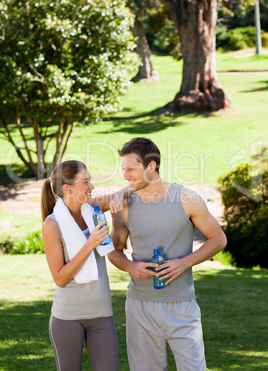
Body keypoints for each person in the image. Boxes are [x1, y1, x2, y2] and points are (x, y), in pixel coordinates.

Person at [108, 137, 227, 371]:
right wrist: (130, 267)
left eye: (131, 169)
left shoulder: (186, 199)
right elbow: (115, 251)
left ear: (151, 166)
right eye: (124, 169)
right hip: (139, 305)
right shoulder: (124, 205)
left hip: (182, 303)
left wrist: (185, 262)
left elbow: (219, 239)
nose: (126, 176)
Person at [41, 160, 130, 371]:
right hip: (67, 318)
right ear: (68, 189)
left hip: (101, 315)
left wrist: (130, 188)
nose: (92, 186)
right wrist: (90, 244)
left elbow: (124, 192)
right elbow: (60, 278)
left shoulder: (93, 210)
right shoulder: (51, 224)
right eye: (86, 182)